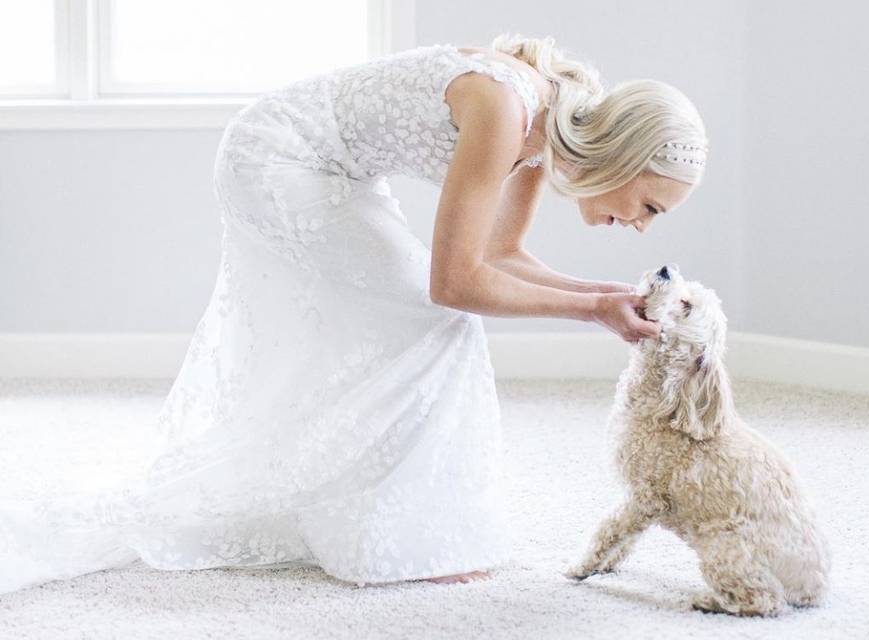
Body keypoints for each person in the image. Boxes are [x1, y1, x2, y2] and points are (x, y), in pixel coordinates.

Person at [0, 33, 707, 594]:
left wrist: (603, 298)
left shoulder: (544, 134)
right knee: (436, 323)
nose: (643, 226)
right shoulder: (509, 109)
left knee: (417, 323)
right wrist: (591, 312)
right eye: (650, 206)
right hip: (277, 158)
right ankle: (393, 540)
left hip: (332, 170)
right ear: (622, 157)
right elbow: (457, 283)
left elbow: (505, 258)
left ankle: (369, 521)